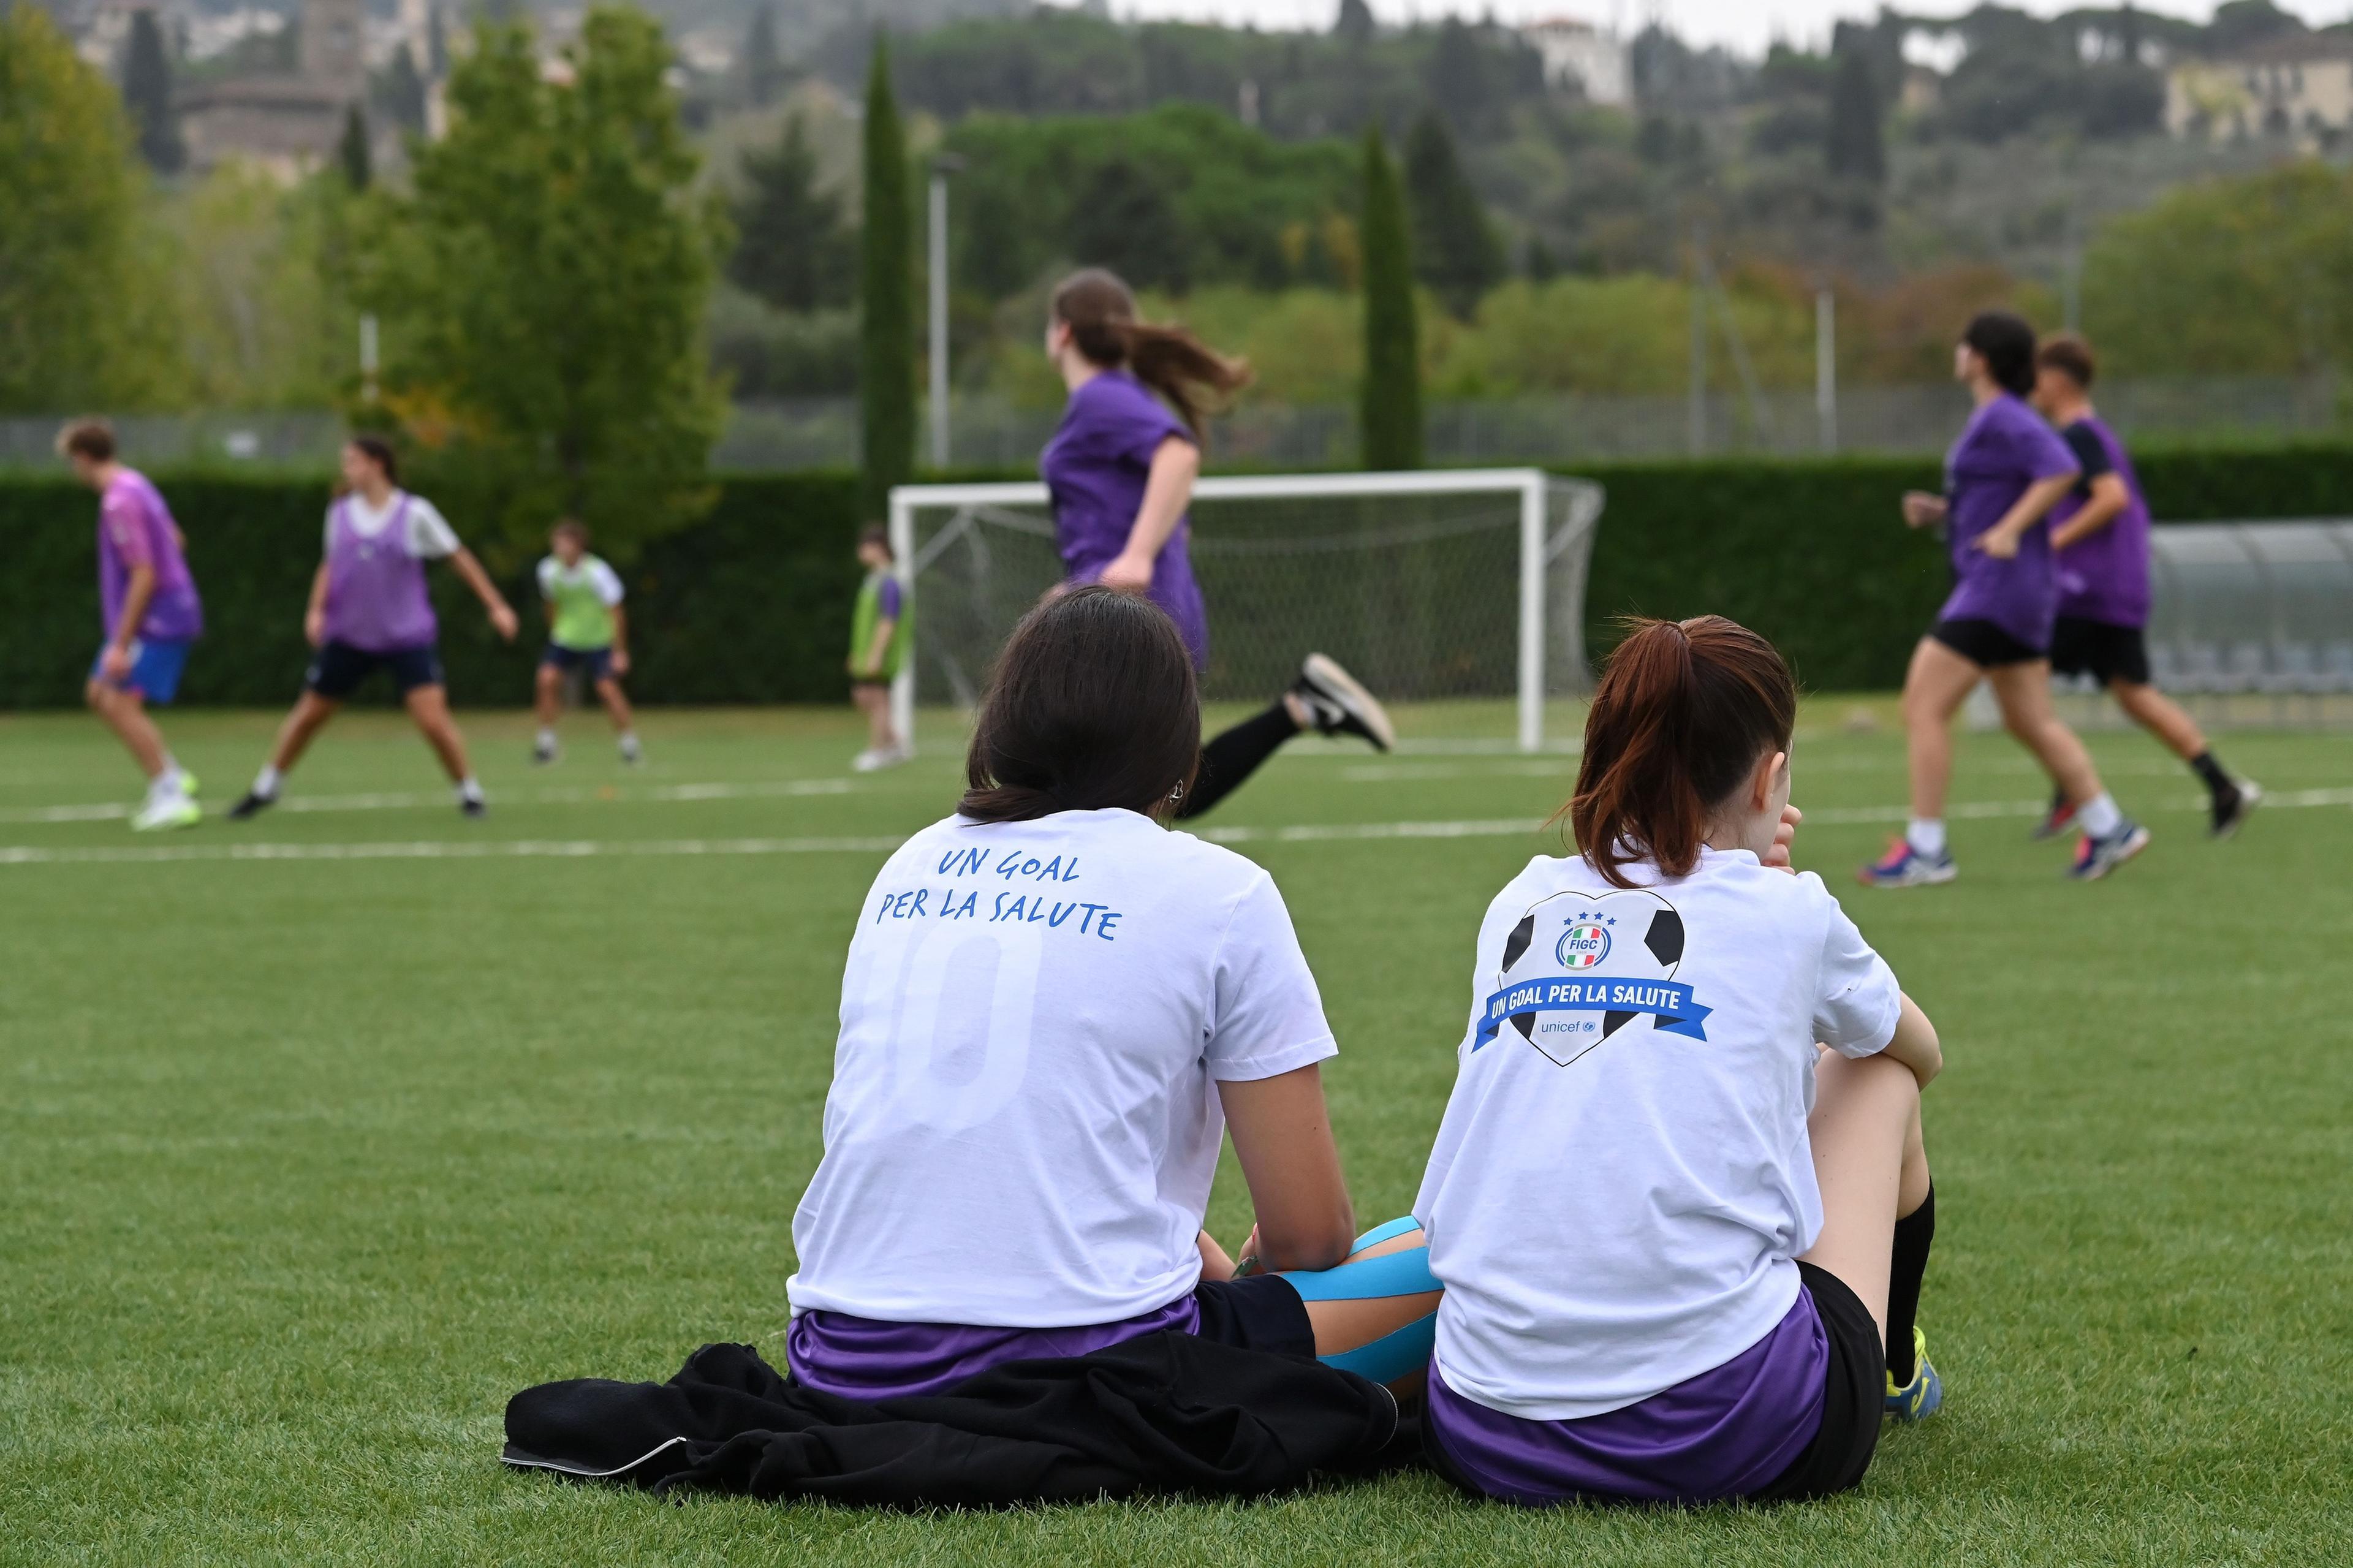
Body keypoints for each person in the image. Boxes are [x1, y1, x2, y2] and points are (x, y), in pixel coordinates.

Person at [786, 586, 1440, 1407]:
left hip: (841, 1362)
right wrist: (1257, 1267)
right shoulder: (1222, 891)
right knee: (1458, 1246)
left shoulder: (911, 862)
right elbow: (1310, 1234)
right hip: (1099, 1372)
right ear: (1175, 738)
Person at [1414, 616, 1944, 1509]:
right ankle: (1892, 1365)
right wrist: (1778, 913)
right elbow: (1917, 1046)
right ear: (1772, 775)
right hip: (1728, 1428)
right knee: (1875, 1070)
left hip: (1482, 1428)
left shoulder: (1521, 897)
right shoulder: (1789, 910)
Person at [1042, 268, 1395, 819]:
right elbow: (1159, 499)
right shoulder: (1118, 398)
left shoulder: (1100, 398)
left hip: (1126, 622)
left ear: (1061, 332)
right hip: (1130, 614)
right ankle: (1302, 708)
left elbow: (1177, 455)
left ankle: (1302, 708)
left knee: (1088, 789)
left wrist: (1134, 557)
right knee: (1155, 796)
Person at [1861, 311, 2148, 887]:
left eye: (1965, 343)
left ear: (1981, 358)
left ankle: (1927, 849)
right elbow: (2004, 491)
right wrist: (1943, 513)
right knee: (2030, 718)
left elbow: (2062, 469)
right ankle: (2108, 825)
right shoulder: (1997, 419)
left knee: (1923, 704)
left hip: (1996, 590)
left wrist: (2013, 529)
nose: (1958, 351)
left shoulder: (2004, 416)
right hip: (2019, 593)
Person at [2028, 334, 2258, 839]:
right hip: (2115, 588)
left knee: (2022, 674)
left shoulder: (2079, 436)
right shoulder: (2097, 435)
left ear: (2058, 380)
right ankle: (2222, 785)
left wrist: (2056, 539)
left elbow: (2112, 498)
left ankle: (2072, 791)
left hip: (2085, 589)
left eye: (2038, 376)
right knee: (2134, 693)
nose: (2032, 387)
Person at [228, 437, 518, 820]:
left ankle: (470, 792)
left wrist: (496, 605)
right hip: (350, 636)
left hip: (405, 638)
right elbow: (330, 565)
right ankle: (267, 787)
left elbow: (457, 557)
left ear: (377, 465)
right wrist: (316, 610)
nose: (346, 469)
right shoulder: (340, 513)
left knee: (432, 721)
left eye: (353, 461)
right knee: (309, 715)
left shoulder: (415, 513)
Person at [58, 420, 205, 832]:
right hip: (161, 612)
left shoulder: (117, 501)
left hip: (155, 621)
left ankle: (170, 792)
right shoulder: (137, 484)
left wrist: (122, 642)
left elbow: (144, 573)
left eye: (73, 461)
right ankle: (172, 774)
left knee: (119, 702)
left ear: (84, 457)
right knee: (98, 693)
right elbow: (175, 540)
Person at [532, 519, 641, 767]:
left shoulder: (598, 572)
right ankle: (547, 743)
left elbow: (616, 612)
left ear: (579, 544)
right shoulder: (548, 570)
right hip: (566, 638)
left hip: (598, 639)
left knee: (607, 690)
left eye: (563, 542)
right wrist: (555, 632)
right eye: (556, 542)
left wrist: (620, 650)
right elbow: (551, 605)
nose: (558, 547)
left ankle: (629, 744)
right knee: (546, 680)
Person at [847, 525, 909, 772]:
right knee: (863, 697)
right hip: (867, 653)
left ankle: (878, 750)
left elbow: (888, 620)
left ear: (880, 549)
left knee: (877, 700)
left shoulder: (889, 582)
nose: (860, 551)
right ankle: (895, 744)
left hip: (882, 654)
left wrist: (877, 654)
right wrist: (857, 653)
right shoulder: (872, 581)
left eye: (865, 546)